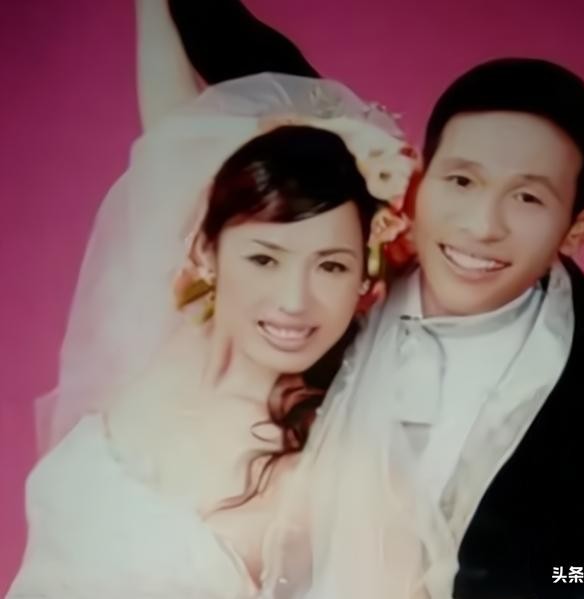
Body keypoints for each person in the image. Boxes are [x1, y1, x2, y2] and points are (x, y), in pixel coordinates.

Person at [168, 3, 584, 598]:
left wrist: (535, 584)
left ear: (580, 225)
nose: (480, 226)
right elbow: (257, 66)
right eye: (462, 181)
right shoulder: (357, 232)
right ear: (421, 174)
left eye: (527, 198)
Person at [6, 6, 424, 596]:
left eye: (331, 265)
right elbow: (169, 140)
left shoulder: (335, 471)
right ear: (206, 251)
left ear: (365, 277)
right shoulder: (171, 333)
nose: (294, 300)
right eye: (264, 260)